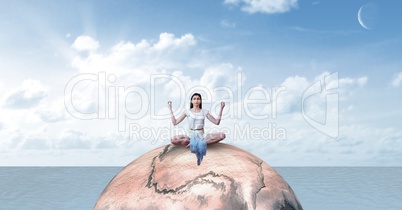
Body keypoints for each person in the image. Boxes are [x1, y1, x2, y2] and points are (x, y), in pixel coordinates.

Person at [168, 93, 226, 165]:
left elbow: (217, 122)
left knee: (222, 135)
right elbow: (175, 122)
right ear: (191, 101)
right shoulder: (187, 112)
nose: (196, 100)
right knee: (173, 139)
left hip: (201, 137)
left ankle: (198, 143)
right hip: (191, 136)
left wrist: (221, 109)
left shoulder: (204, 112)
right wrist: (170, 108)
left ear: (200, 101)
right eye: (194, 99)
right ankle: (194, 143)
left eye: (198, 99)